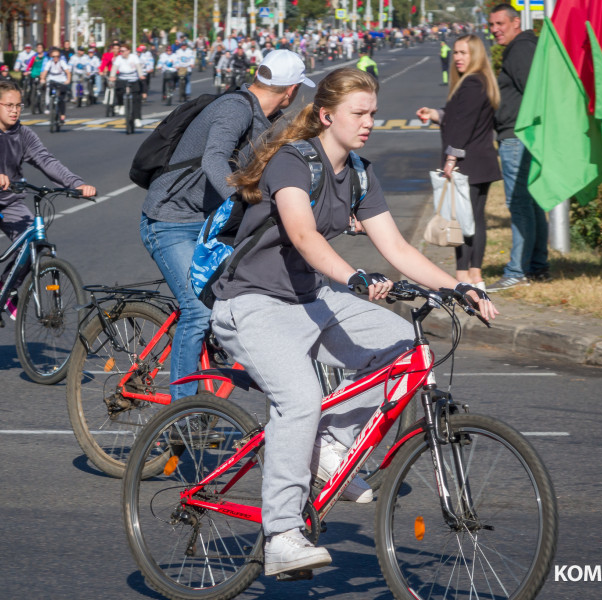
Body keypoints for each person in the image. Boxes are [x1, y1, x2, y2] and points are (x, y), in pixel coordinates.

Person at [208, 67, 496, 576]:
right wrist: (354, 277)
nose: (369, 123)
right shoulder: (292, 162)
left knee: (405, 345)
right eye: (358, 114)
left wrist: (459, 287)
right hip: (253, 304)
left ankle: (334, 446)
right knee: (299, 401)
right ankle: (280, 534)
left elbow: (399, 248)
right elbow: (302, 234)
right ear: (326, 116)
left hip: (309, 297)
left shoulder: (360, 173)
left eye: (373, 114)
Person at [141, 50, 310, 404]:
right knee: (198, 309)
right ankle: (181, 412)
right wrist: (243, 200)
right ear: (291, 89)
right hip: (170, 221)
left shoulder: (271, 119)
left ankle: (211, 362)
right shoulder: (236, 108)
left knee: (247, 294)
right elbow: (213, 158)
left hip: (209, 224)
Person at [0, 80, 96, 344]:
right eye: (9, 105)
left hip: (8, 200)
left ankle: (5, 289)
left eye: (18, 105)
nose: (15, 111)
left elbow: (46, 160)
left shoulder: (23, 134)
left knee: (35, 241)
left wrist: (76, 184)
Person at [416, 34, 501, 291]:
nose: (458, 58)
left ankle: (466, 277)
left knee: (463, 221)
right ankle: (474, 276)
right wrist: (436, 114)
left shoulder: (472, 83)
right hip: (480, 162)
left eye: (464, 53)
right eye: (455, 53)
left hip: (468, 163)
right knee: (473, 219)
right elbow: (458, 118)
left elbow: (463, 127)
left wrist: (451, 158)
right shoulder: (479, 81)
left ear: (475, 55)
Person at [487, 3, 549, 291]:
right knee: (531, 203)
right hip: (521, 136)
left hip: (517, 137)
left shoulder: (521, 48)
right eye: (492, 25)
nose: (495, 30)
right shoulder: (524, 47)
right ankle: (537, 265)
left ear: (516, 22)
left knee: (520, 205)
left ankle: (517, 270)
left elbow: (533, 92)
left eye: (500, 24)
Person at [109, 44, 145, 124]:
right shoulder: (119, 58)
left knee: (136, 99)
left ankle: (137, 118)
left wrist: (140, 75)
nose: (121, 52)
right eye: (120, 51)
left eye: (123, 51)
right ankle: (121, 105)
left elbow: (138, 67)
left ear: (128, 51)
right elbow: (114, 68)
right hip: (123, 79)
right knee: (118, 91)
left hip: (133, 79)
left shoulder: (134, 57)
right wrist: (112, 76)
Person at [39, 47, 70, 122]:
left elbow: (68, 72)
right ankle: (49, 105)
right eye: (54, 56)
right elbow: (45, 72)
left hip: (61, 81)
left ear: (59, 57)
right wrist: (42, 79)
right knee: (48, 90)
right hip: (52, 80)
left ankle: (62, 115)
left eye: (57, 56)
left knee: (61, 99)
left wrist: (68, 80)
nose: (55, 58)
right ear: (51, 57)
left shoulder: (62, 62)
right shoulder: (49, 62)